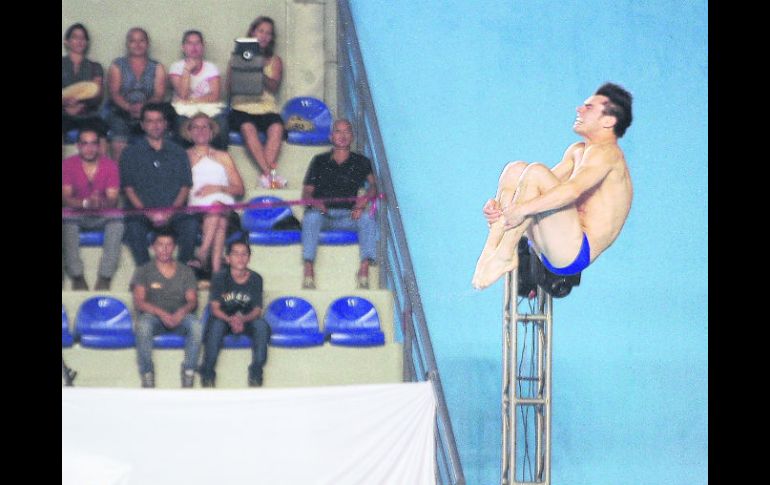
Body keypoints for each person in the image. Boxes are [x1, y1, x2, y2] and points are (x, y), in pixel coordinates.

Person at [471, 82, 634, 290]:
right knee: (515, 170)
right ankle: (492, 247)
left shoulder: (608, 154)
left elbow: (571, 190)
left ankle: (504, 253)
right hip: (552, 241)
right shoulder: (577, 151)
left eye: (589, 107)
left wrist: (519, 210)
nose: (579, 109)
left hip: (574, 252)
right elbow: (534, 187)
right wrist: (500, 209)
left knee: (536, 172)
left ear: (609, 121)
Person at [301, 119, 378, 289]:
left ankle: (364, 270)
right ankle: (308, 270)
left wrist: (362, 202)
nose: (342, 135)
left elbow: (373, 187)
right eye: (338, 131)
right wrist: (315, 203)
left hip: (349, 215)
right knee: (311, 218)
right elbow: (306, 192)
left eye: (346, 131)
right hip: (323, 214)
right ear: (331, 136)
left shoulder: (362, 161)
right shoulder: (319, 160)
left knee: (367, 219)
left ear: (352, 136)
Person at [120, 103, 198, 268]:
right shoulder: (129, 153)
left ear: (165, 123)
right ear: (142, 125)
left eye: (159, 121)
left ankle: (182, 273)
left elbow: (185, 186)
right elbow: (128, 189)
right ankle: (146, 274)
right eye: (149, 121)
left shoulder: (179, 152)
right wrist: (148, 213)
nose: (155, 125)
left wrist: (170, 212)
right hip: (142, 213)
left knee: (190, 224)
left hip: (174, 212)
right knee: (133, 228)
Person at [131, 227, 202, 388]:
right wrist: (161, 313)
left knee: (196, 326)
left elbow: (192, 301)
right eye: (160, 244)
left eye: (169, 245)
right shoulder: (143, 271)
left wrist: (181, 312)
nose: (164, 249)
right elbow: (139, 302)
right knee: (142, 325)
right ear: (153, 247)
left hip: (180, 316)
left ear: (174, 247)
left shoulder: (186, 271)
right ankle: (147, 375)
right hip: (153, 317)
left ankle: (189, 374)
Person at [181, 113, 245, 280]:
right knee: (220, 223)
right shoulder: (182, 156)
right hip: (196, 208)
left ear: (211, 131)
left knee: (218, 207)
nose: (200, 131)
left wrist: (215, 187)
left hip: (222, 203)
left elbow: (239, 189)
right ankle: (216, 272)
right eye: (196, 127)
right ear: (189, 132)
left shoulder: (223, 156)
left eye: (205, 127)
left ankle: (202, 255)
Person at [199, 240, 270, 388]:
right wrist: (231, 319)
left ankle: (256, 372)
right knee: (215, 326)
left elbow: (257, 310)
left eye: (244, 254)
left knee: (262, 326)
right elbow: (215, 308)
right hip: (223, 318)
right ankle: (208, 373)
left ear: (249, 258)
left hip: (246, 319)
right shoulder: (220, 277)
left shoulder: (256, 279)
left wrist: (242, 319)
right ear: (228, 258)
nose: (240, 258)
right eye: (236, 254)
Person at [62, 128, 124, 291]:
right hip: (76, 213)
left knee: (117, 220)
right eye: (85, 144)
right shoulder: (68, 164)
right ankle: (77, 275)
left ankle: (105, 276)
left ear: (98, 146)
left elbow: (113, 199)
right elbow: (66, 198)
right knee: (66, 219)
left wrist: (100, 203)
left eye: (93, 144)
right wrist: (85, 203)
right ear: (78, 145)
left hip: (101, 212)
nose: (89, 148)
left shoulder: (109, 165)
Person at [227, 16, 286, 187]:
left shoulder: (275, 60)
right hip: (242, 108)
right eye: (261, 31)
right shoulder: (237, 58)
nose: (264, 36)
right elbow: (229, 89)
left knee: (277, 127)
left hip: (267, 109)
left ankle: (265, 177)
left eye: (268, 33)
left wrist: (258, 69)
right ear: (253, 32)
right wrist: (242, 67)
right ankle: (270, 175)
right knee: (247, 127)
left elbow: (274, 87)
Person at [106, 27, 167, 162]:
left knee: (158, 129)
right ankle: (120, 178)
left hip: (150, 112)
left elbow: (159, 95)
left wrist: (144, 109)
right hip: (122, 111)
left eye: (141, 40)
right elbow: (114, 93)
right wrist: (129, 108)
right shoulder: (117, 65)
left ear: (147, 43)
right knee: (118, 134)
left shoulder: (157, 67)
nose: (137, 44)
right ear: (127, 44)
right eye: (133, 41)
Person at [168, 30, 229, 150]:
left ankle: (219, 160)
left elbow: (214, 96)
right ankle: (184, 164)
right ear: (183, 47)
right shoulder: (176, 67)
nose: (194, 47)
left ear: (203, 46)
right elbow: (183, 94)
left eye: (197, 43)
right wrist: (187, 70)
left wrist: (192, 101)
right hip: (183, 111)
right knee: (181, 124)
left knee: (222, 124)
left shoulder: (211, 68)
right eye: (189, 43)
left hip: (208, 110)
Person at [62, 23, 109, 156]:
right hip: (63, 111)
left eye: (83, 38)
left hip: (88, 113)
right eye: (75, 37)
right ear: (67, 41)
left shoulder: (95, 67)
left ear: (87, 42)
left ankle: (102, 174)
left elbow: (97, 95)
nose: (79, 41)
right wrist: (65, 104)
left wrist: (80, 104)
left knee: (100, 130)